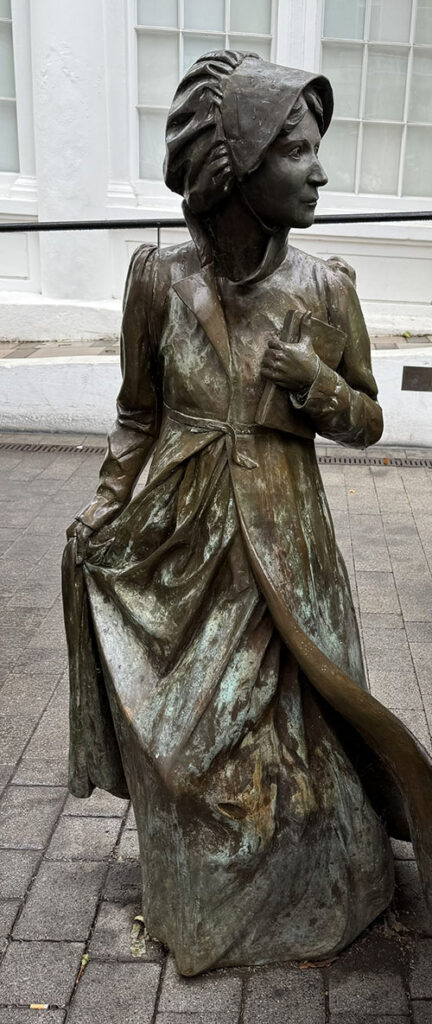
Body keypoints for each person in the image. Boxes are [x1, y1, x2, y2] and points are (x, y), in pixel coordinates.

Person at [63, 51, 432, 976]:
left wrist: (314, 386)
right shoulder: (157, 280)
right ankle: (204, 881)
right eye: (297, 152)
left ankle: (321, 872)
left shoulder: (324, 288)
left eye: (318, 151)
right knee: (196, 742)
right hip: (186, 544)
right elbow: (137, 414)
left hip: (287, 538)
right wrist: (108, 506)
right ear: (234, 165)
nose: (319, 172)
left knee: (306, 740)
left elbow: (370, 422)